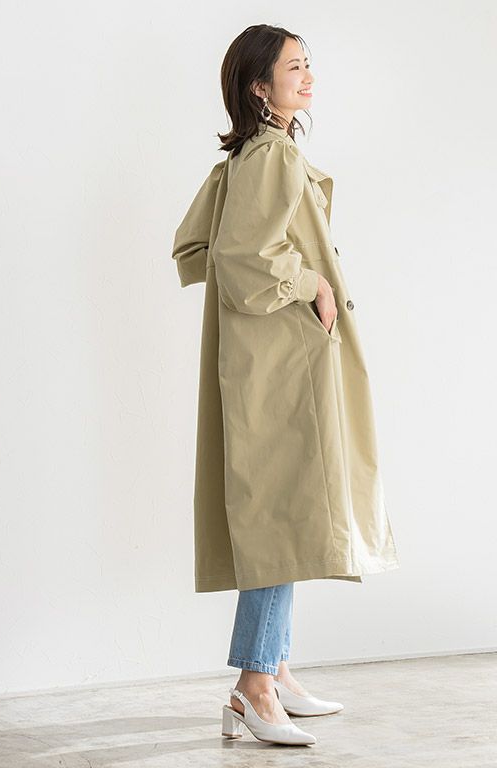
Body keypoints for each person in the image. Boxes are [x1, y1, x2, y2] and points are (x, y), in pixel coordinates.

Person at [171, 24, 400, 746]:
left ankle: (275, 668)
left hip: (270, 358)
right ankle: (254, 684)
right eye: (293, 67)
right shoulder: (269, 155)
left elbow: (200, 247)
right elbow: (244, 257)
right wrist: (311, 285)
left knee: (285, 510)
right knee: (279, 512)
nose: (308, 76)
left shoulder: (252, 155)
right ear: (258, 86)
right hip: (278, 360)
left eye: (308, 64)